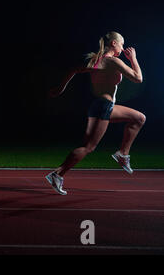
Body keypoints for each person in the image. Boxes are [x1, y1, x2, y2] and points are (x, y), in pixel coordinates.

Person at [46, 31, 145, 195]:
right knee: (88, 147)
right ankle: (57, 174)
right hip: (103, 107)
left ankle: (123, 154)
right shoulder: (113, 61)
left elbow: (73, 70)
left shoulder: (96, 60)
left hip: (103, 105)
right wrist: (133, 58)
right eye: (121, 43)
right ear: (113, 43)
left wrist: (60, 88)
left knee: (139, 118)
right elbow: (138, 78)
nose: (122, 47)